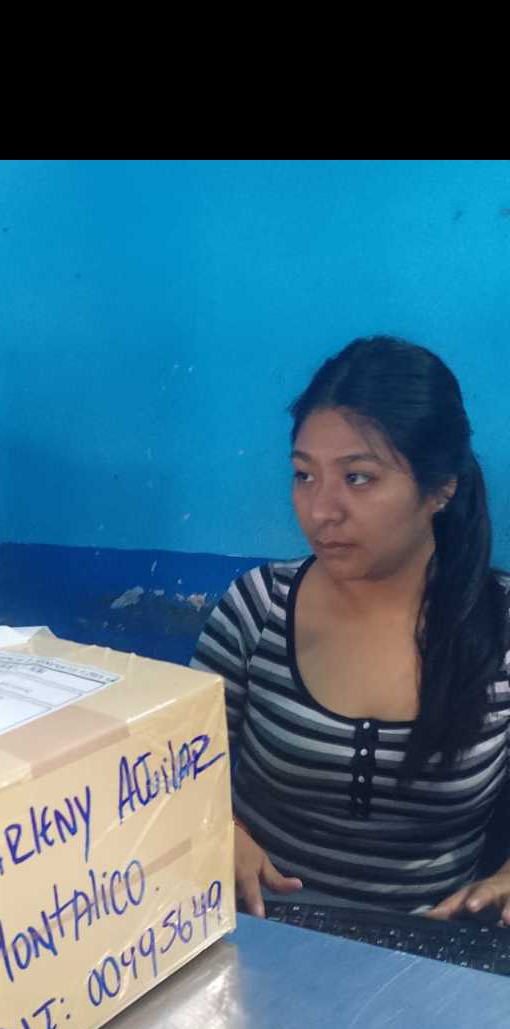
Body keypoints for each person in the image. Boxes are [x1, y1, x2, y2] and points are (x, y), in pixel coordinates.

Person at [192, 336, 510, 921]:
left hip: (433, 945)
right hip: (263, 927)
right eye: (304, 475)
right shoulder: (258, 608)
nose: (321, 510)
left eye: (358, 478)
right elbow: (174, 780)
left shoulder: (501, 626)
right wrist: (220, 827)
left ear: (442, 487)